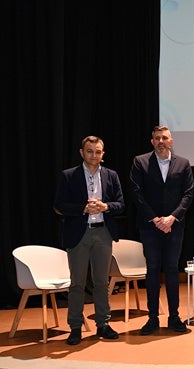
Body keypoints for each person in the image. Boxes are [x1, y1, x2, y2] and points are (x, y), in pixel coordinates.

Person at [54, 135, 124, 345]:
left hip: (103, 233)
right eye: (90, 151)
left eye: (98, 151)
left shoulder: (111, 175)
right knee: (77, 283)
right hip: (79, 233)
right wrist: (82, 208)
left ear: (103, 154)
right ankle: (75, 327)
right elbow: (59, 205)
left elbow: (121, 204)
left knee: (102, 282)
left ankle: (103, 323)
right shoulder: (68, 176)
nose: (94, 155)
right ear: (82, 153)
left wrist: (106, 207)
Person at [129, 125, 194, 335]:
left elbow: (188, 195)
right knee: (153, 271)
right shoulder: (140, 162)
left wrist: (172, 218)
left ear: (171, 141)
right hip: (150, 226)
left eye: (164, 138)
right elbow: (136, 193)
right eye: (157, 138)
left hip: (174, 226)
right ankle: (152, 318)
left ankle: (174, 317)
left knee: (173, 271)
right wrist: (156, 219)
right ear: (152, 142)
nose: (161, 141)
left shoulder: (183, 164)